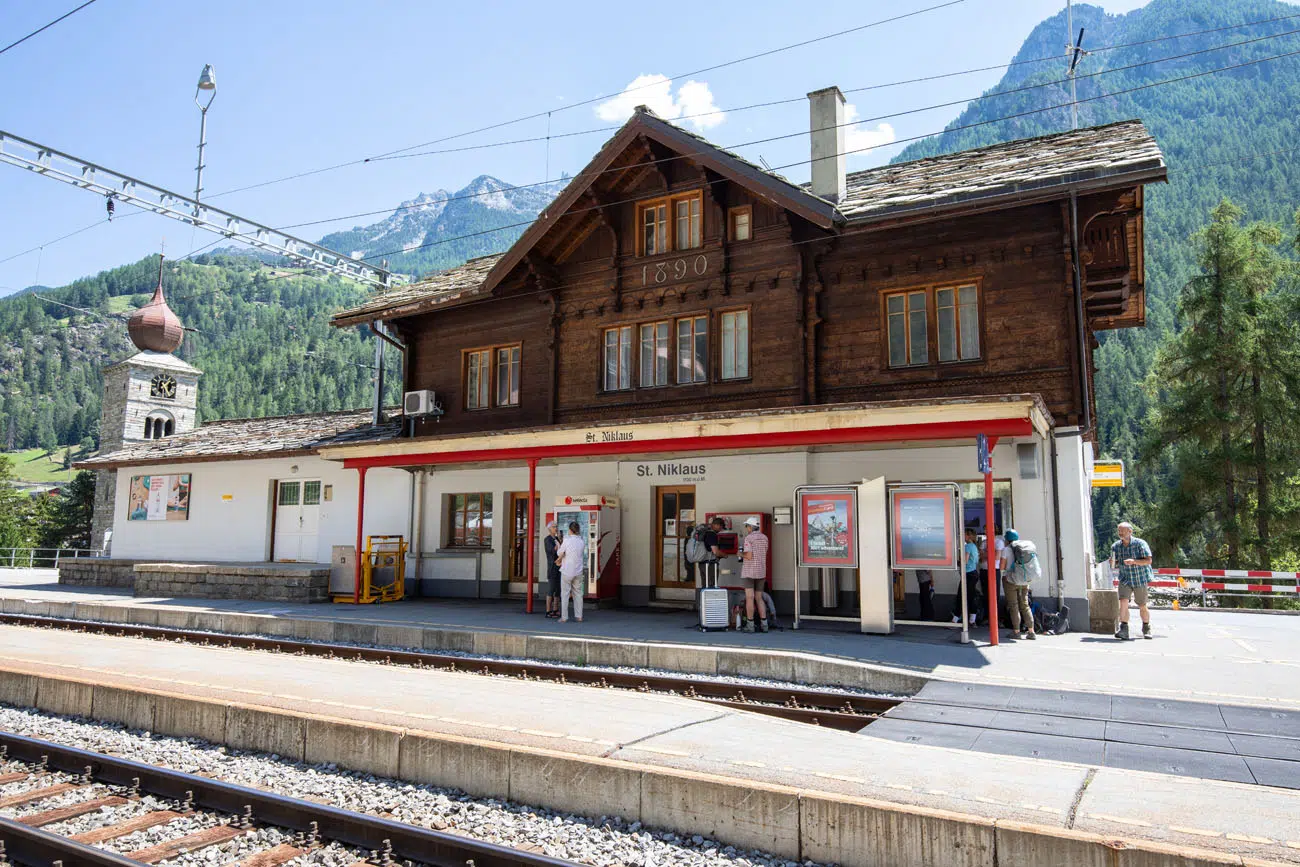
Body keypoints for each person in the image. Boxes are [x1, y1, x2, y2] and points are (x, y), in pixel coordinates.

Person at [1111, 521, 1153, 640]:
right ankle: (1124, 629)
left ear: (1130, 531)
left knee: (1142, 604)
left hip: (1140, 578)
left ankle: (1146, 627)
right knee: (1123, 602)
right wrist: (1113, 563)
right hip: (1125, 578)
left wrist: (1134, 561)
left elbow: (1148, 560)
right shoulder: (1116, 546)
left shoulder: (1140, 544)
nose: (1120, 533)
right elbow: (1115, 564)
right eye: (1119, 531)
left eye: (1123, 531)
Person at [1002, 528, 1037, 640]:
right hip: (1024, 579)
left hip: (1011, 580)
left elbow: (1002, 566)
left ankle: (1016, 631)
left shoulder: (1006, 549)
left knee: (1013, 605)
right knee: (1025, 605)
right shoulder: (1024, 547)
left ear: (1007, 539)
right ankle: (1031, 632)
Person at [739, 517, 770, 633]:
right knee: (759, 598)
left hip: (749, 572)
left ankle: (750, 625)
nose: (746, 528)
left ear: (750, 527)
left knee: (750, 598)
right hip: (761, 571)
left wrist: (740, 553)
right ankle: (764, 624)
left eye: (747, 526)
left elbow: (749, 556)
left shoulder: (749, 538)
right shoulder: (764, 538)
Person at [555, 521, 587, 623]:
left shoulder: (567, 540)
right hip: (578, 571)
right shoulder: (581, 541)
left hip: (567, 571)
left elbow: (559, 552)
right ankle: (579, 616)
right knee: (578, 594)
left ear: (570, 530)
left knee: (565, 594)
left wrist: (560, 546)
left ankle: (564, 617)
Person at [952, 528, 981, 625]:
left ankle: (955, 619)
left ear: (968, 536)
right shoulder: (974, 546)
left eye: (963, 535)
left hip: (967, 574)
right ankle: (972, 619)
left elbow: (965, 560)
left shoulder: (967, 546)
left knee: (961, 596)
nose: (962, 537)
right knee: (971, 596)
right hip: (973, 573)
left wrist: (956, 562)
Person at [543, 521, 562, 619]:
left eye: (556, 527)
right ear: (549, 529)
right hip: (552, 567)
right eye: (554, 527)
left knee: (558, 589)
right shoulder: (548, 539)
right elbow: (551, 551)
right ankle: (548, 610)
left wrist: (560, 540)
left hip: (560, 567)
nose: (556, 528)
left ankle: (556, 609)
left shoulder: (557, 539)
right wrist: (558, 545)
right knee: (551, 589)